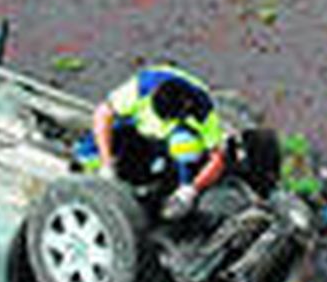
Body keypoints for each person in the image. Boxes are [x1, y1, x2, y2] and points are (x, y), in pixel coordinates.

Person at [74, 64, 228, 220]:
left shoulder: (202, 109)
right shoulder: (141, 87)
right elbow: (103, 113)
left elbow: (218, 158)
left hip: (169, 139)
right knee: (89, 155)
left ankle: (175, 179)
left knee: (185, 146)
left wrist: (192, 189)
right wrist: (106, 163)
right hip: (135, 124)